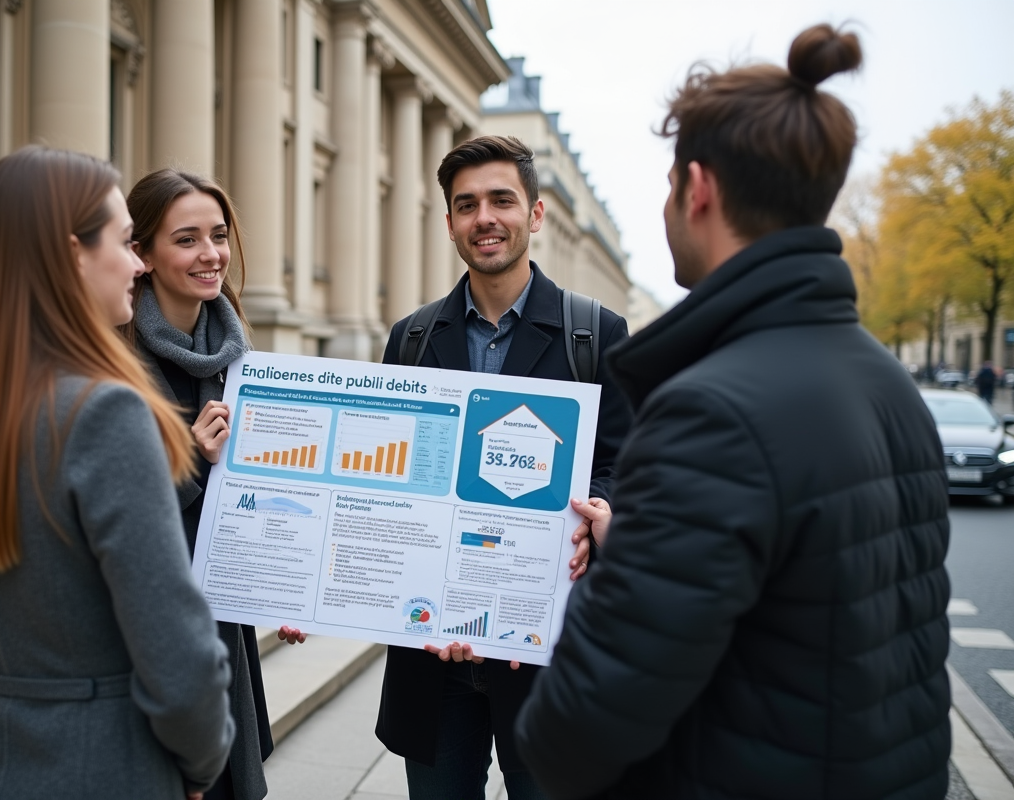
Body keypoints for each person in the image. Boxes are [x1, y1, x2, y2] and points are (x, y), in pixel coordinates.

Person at [514, 25, 951, 800]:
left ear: (698, 189)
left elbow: (578, 728)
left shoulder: (709, 411)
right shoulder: (888, 380)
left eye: (667, 187)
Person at [0, 146, 235, 799]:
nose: (137, 263)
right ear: (72, 255)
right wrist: (199, 764)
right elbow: (178, 657)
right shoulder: (108, 414)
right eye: (123, 241)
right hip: (110, 769)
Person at [374, 135, 634, 800]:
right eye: (467, 205)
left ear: (535, 214)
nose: (484, 218)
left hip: (546, 654)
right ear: (450, 222)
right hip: (432, 658)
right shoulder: (411, 339)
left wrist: (597, 513)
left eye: (501, 200)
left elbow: (626, 466)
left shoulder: (595, 333)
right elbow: (387, 483)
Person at [123, 169, 303, 800]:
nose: (211, 255)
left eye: (219, 236)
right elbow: (109, 520)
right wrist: (191, 459)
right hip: (149, 638)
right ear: (142, 254)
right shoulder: (111, 365)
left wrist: (291, 584)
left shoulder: (241, 360)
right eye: (187, 239)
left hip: (222, 628)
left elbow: (262, 497)